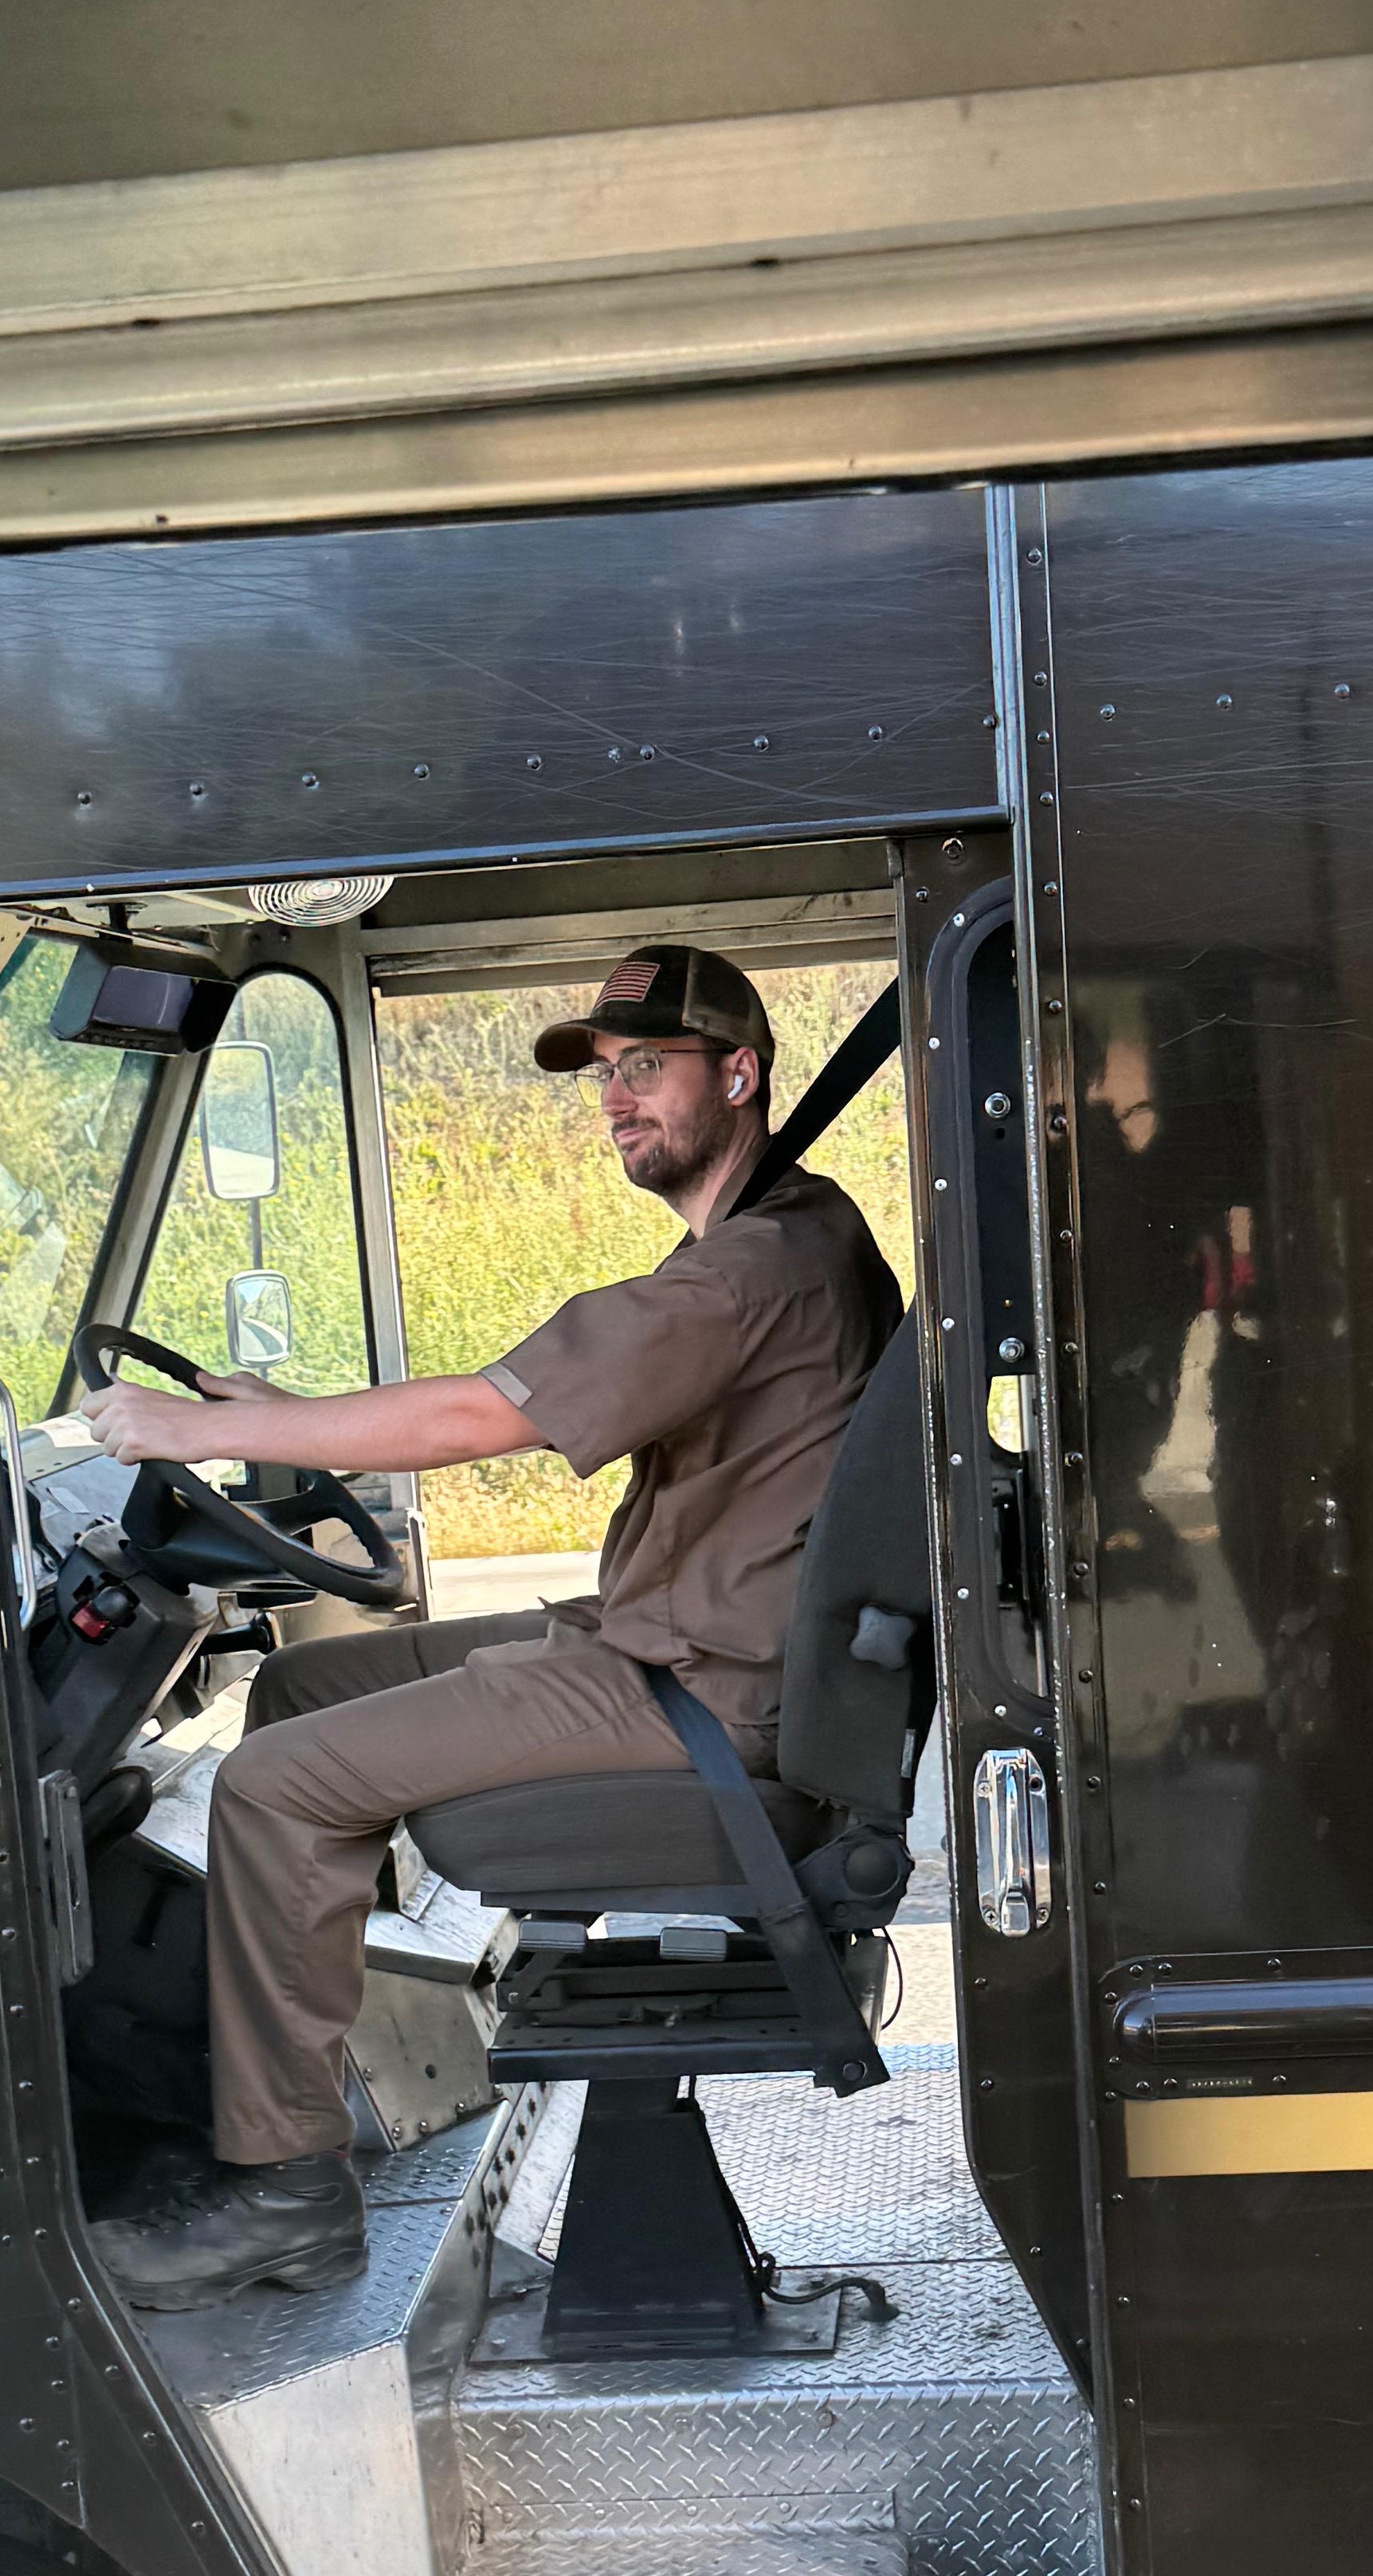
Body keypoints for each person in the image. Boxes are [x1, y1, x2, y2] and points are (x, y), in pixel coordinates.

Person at [83, 948, 899, 2311]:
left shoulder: (748, 1272)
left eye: (648, 1068)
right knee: (303, 1693)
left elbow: (485, 1416)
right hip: (676, 1647)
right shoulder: (783, 1231)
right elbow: (504, 1392)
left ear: (739, 1075)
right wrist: (281, 1414)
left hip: (699, 1692)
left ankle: (286, 2195)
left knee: (274, 1787)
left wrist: (194, 1429)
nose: (617, 1100)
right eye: (606, 1074)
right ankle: (296, 2081)